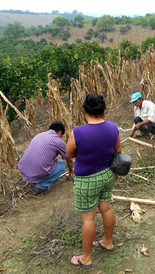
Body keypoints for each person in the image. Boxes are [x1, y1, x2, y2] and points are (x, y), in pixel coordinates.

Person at [66, 94, 121, 269]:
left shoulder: (78, 132)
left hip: (87, 180)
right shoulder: (113, 127)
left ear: (84, 112)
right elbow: (118, 150)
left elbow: (69, 154)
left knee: (88, 219)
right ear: (104, 111)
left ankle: (86, 258)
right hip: (108, 174)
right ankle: (107, 242)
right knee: (106, 207)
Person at [18, 121, 74, 195]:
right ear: (60, 132)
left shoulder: (39, 135)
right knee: (62, 165)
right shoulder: (58, 141)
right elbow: (69, 159)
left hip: (24, 170)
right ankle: (41, 186)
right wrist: (71, 172)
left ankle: (36, 179)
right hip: (36, 172)